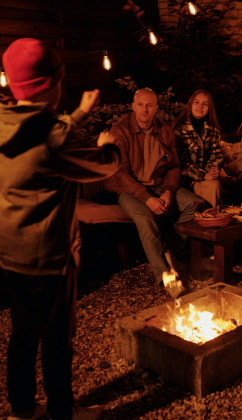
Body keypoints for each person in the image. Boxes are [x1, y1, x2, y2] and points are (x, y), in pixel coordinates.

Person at [0, 39, 121, 420]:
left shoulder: (5, 118)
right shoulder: (56, 137)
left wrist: (80, 115)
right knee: (56, 339)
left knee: (22, 332)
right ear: (51, 85)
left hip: (9, 252)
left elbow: (39, 128)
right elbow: (101, 165)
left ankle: (21, 410)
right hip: (50, 256)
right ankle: (62, 413)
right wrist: (108, 146)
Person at [104, 88, 199, 285]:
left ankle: (170, 249)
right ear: (133, 106)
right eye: (140, 104)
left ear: (156, 108)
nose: (144, 109)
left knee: (196, 203)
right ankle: (164, 276)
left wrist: (167, 190)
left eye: (149, 105)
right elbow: (120, 173)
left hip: (157, 185)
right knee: (146, 219)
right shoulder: (120, 131)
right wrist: (147, 199)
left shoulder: (164, 130)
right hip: (127, 188)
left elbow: (173, 166)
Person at [172, 90, 224, 208]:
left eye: (205, 104)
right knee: (213, 186)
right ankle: (210, 220)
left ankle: (211, 219)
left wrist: (212, 172)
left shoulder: (213, 130)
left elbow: (216, 156)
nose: (200, 106)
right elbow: (179, 160)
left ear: (209, 108)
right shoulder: (178, 127)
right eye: (197, 102)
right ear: (190, 105)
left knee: (214, 184)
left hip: (207, 176)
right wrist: (203, 175)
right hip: (185, 177)